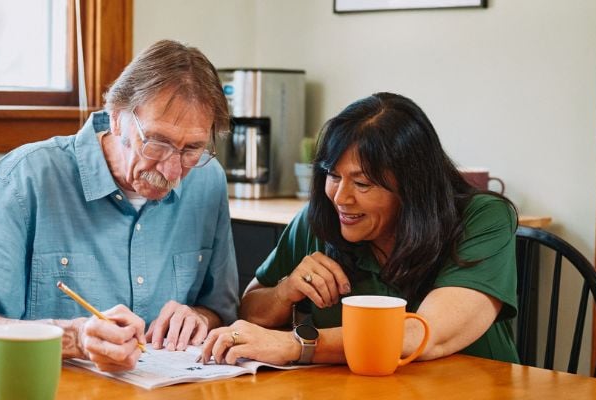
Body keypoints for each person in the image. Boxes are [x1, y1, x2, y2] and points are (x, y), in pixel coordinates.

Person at [0, 39, 238, 372]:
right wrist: (71, 338)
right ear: (117, 118)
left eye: (192, 149)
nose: (173, 171)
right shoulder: (24, 179)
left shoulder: (207, 183)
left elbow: (221, 309)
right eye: (157, 143)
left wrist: (198, 318)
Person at [200, 92, 518, 367]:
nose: (341, 198)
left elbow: (422, 336)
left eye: (362, 183)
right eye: (333, 175)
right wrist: (286, 291)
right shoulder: (320, 219)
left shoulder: (484, 219)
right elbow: (251, 308)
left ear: (411, 187)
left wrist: (297, 345)